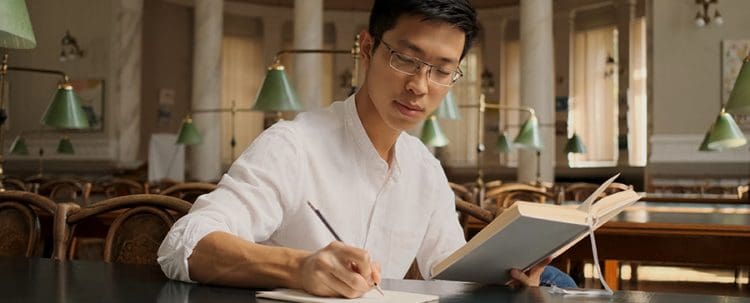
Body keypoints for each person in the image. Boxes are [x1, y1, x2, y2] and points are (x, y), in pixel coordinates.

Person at [157, 0, 575, 298]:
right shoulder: (293, 146)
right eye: (406, 59)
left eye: (442, 71)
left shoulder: (425, 169)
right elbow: (183, 245)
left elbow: (450, 275)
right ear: (368, 48)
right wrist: (298, 268)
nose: (420, 85)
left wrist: (508, 277)